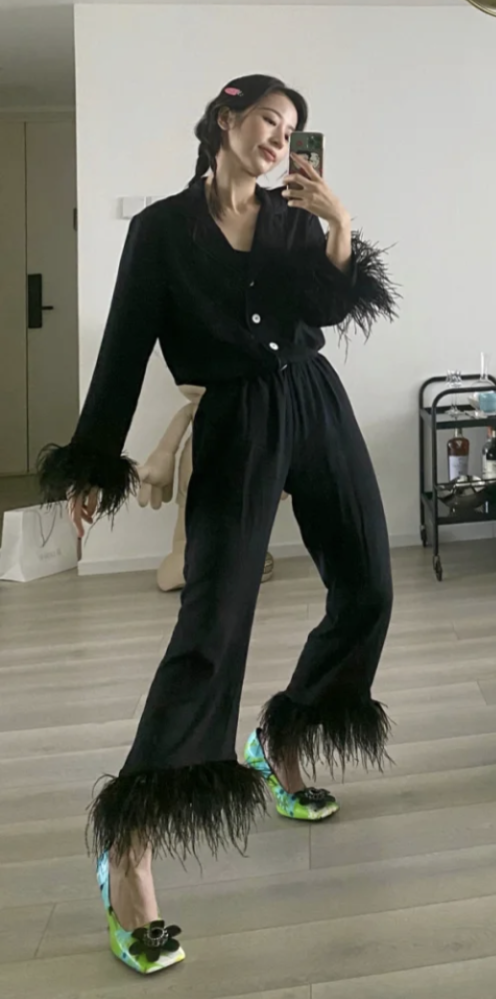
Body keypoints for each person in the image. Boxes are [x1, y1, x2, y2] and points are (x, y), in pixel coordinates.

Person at [38, 74, 397, 975]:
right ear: (227, 120)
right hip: (236, 421)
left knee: (368, 584)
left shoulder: (291, 219)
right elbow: (124, 348)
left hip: (315, 400)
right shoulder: (161, 231)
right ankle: (129, 846)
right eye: (269, 120)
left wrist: (338, 225)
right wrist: (93, 464)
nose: (280, 138)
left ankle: (279, 743)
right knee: (212, 623)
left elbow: (325, 309)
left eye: (292, 128)